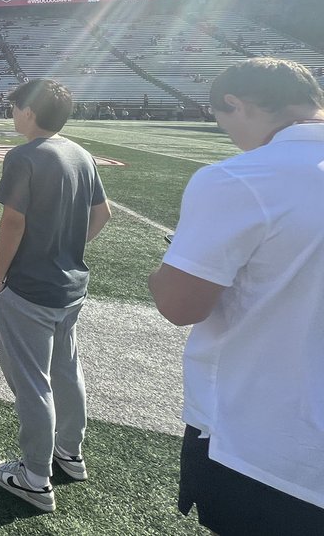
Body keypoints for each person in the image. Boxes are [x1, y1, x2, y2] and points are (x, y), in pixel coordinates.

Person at [149, 58, 324, 534]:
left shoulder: (243, 177)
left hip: (266, 441)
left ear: (234, 104)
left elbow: (179, 305)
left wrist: (161, 273)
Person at [0, 78, 110, 513]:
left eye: (16, 106)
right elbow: (102, 213)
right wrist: (66, 250)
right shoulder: (81, 153)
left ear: (30, 112)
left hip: (29, 287)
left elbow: (12, 223)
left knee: (33, 382)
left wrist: (0, 276)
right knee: (67, 370)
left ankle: (36, 475)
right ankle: (69, 453)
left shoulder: (24, 156)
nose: (13, 113)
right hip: (70, 284)